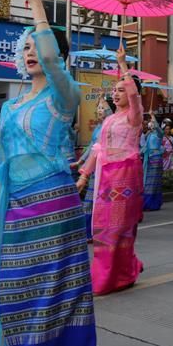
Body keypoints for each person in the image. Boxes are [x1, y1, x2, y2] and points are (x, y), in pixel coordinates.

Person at [0, 0, 95, 346]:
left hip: (57, 208)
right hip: (17, 212)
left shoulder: (64, 94)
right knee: (18, 295)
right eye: (25, 45)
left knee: (54, 295)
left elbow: (51, 60)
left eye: (37, 45)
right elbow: (6, 168)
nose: (31, 51)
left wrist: (36, 5)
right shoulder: (10, 107)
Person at [78, 47, 144, 295]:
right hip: (105, 179)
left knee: (119, 228)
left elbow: (135, 98)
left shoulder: (133, 118)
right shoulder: (108, 120)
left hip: (125, 177)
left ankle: (117, 275)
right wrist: (84, 175)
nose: (116, 94)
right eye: (114, 90)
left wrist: (122, 65)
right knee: (104, 228)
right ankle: (118, 272)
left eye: (121, 90)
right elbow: (98, 148)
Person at [74, 96, 114, 242]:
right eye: (98, 108)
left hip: (106, 168)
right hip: (94, 168)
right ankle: (89, 232)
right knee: (89, 200)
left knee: (103, 200)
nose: (99, 110)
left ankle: (103, 231)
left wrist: (104, 101)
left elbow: (110, 115)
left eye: (102, 108)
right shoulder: (97, 128)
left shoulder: (110, 125)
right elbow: (92, 148)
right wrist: (81, 160)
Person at [142, 114, 165, 211]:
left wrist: (152, 115)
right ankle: (150, 203)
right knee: (148, 182)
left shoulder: (159, 133)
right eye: (149, 124)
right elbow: (144, 147)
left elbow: (157, 127)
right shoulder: (148, 135)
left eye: (152, 123)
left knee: (153, 182)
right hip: (149, 159)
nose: (150, 125)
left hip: (156, 159)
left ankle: (151, 204)